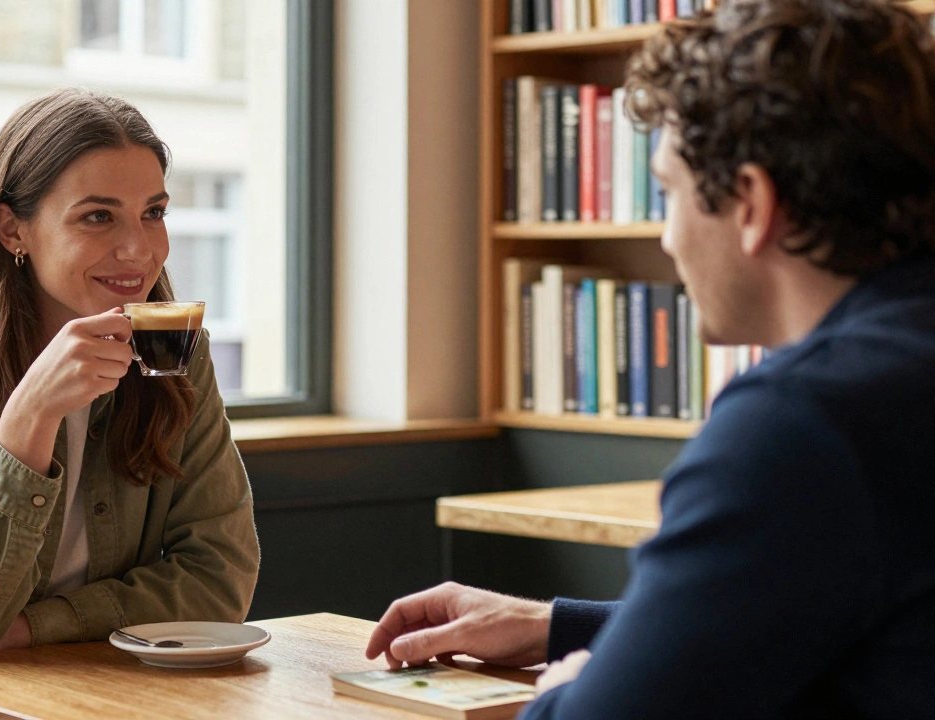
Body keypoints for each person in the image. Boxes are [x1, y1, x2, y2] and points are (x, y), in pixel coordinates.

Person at [367, 1, 935, 717]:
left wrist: (568, 690)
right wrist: (556, 629)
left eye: (668, 191)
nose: (666, 238)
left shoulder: (802, 424)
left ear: (752, 204)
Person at [0, 88, 260, 719]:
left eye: (154, 212)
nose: (138, 248)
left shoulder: (173, 356)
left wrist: (42, 626)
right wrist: (29, 417)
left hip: (96, 690)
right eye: (98, 216)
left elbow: (220, 578)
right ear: (14, 228)